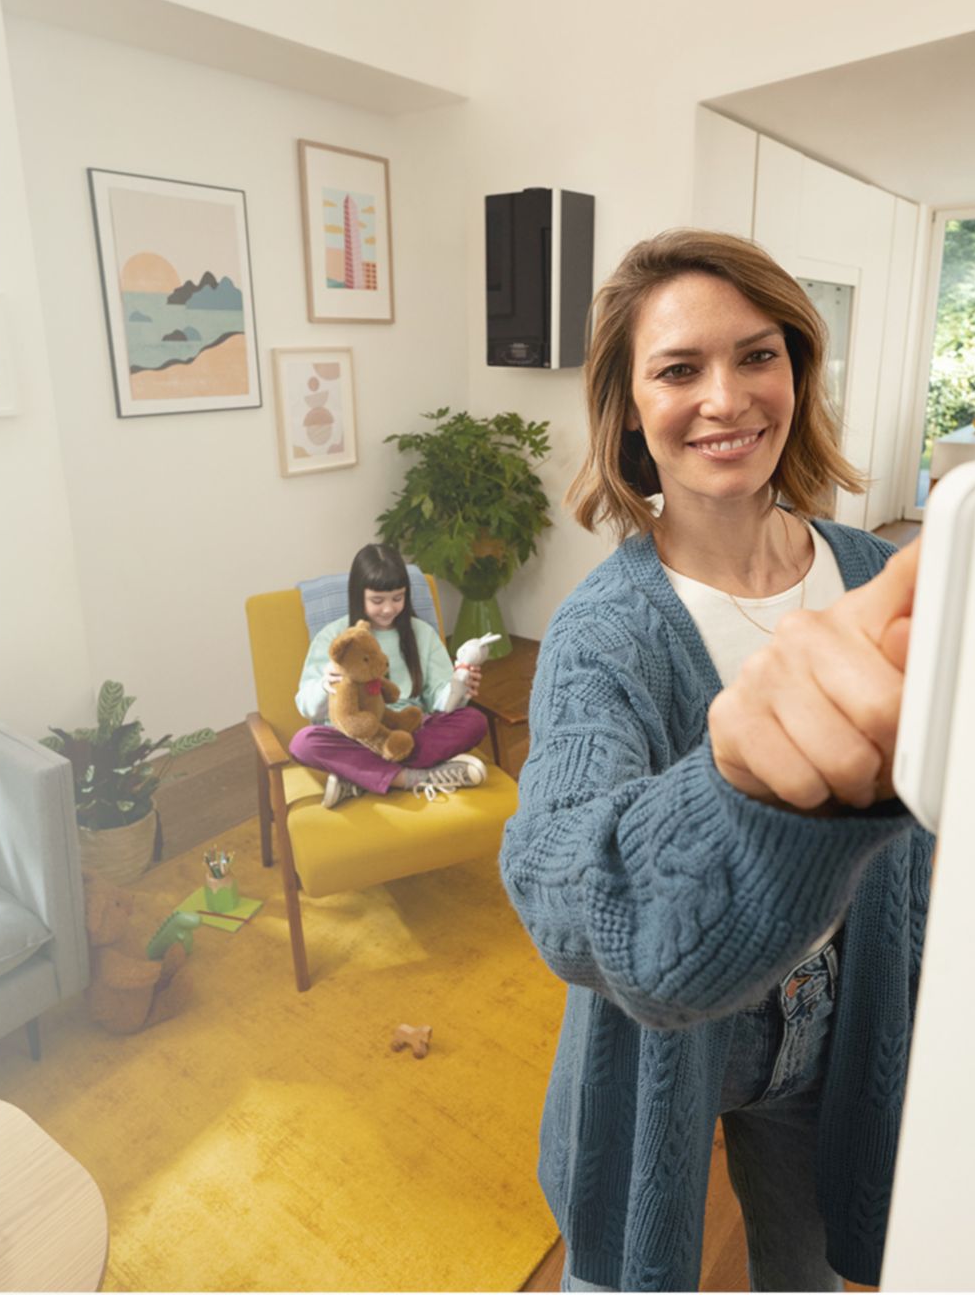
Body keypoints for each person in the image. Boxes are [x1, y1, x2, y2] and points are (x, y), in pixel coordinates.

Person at [499, 229, 935, 1293]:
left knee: (809, 1273)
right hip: (669, 1048)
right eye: (679, 369)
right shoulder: (604, 632)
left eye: (756, 355)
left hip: (847, 1023)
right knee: (625, 1269)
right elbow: (562, 881)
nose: (727, 399)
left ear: (798, 369)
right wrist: (742, 787)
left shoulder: (880, 575)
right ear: (631, 409)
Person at [291, 543, 492, 807]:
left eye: (397, 598)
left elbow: (440, 704)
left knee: (475, 720)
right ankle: (415, 778)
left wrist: (459, 686)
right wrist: (324, 685)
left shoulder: (421, 633)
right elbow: (306, 707)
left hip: (409, 732)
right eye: (377, 600)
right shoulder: (334, 637)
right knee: (303, 743)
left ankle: (357, 776)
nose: (388, 609)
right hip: (355, 736)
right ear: (358, 595)